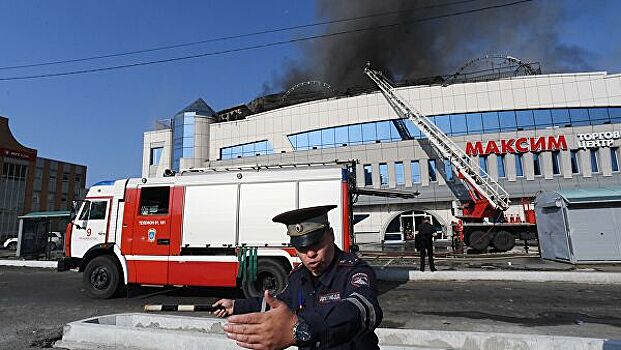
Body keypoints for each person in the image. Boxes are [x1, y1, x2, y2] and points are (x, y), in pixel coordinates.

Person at [213, 205, 383, 350]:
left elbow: (363, 308)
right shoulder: (298, 277)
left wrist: (301, 330)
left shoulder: (354, 270)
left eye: (317, 244)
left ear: (331, 235)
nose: (310, 254)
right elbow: (279, 303)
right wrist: (235, 305)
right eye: (302, 248)